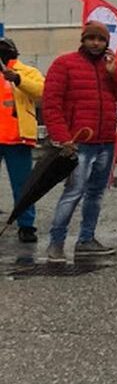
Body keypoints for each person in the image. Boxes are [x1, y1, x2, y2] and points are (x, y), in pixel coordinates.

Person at [44, 21, 117, 262]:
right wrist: (62, 137)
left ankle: (86, 240)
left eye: (101, 39)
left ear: (106, 42)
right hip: (79, 143)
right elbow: (51, 104)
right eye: (91, 38)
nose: (96, 43)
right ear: (83, 39)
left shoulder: (110, 67)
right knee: (73, 192)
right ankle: (56, 243)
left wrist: (115, 73)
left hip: (105, 141)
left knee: (95, 193)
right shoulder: (64, 64)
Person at [0, 38, 44, 243]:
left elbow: (42, 91)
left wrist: (18, 79)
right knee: (22, 184)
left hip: (18, 139)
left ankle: (26, 226)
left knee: (23, 185)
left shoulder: (27, 72)